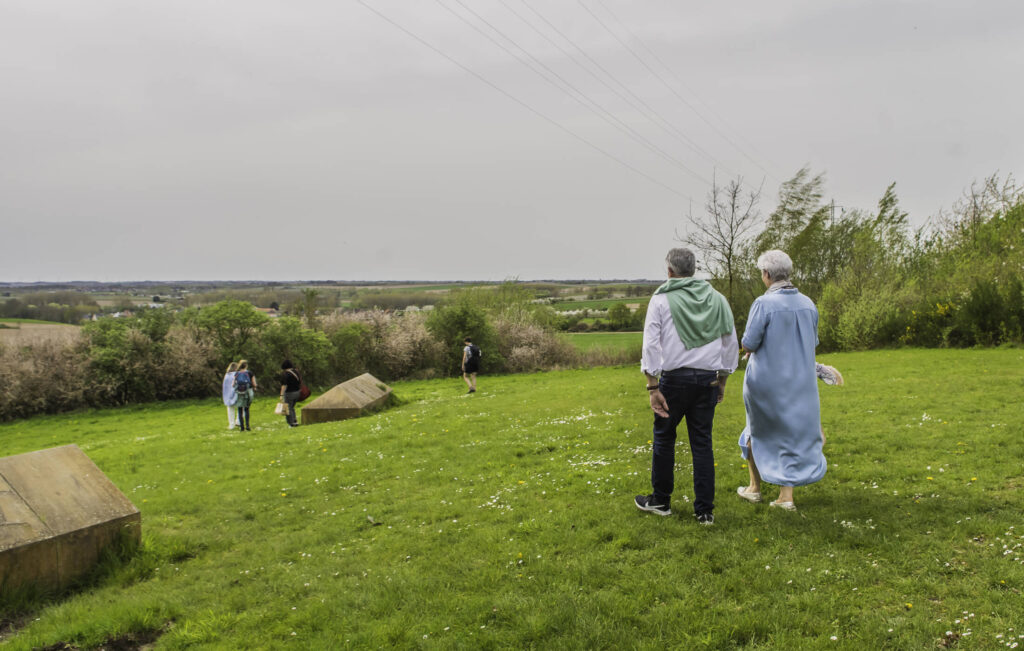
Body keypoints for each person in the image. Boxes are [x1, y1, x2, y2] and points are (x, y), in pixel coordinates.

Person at [635, 248, 738, 525]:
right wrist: (723, 379)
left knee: (664, 437)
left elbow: (651, 344)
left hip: (674, 380)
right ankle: (704, 511)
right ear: (693, 270)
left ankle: (661, 500)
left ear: (669, 271)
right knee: (702, 443)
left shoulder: (661, 299)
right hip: (707, 379)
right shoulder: (718, 299)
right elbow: (729, 342)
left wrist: (652, 386)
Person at [736, 250, 827, 511]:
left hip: (768, 381)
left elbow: (749, 343)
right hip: (800, 381)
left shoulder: (764, 304)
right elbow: (813, 342)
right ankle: (786, 495)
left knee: (756, 429)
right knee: (791, 432)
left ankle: (755, 488)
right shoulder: (808, 304)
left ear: (766, 275)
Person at [233, 359, 257, 432]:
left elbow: (233, 384)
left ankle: (242, 428)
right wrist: (255, 387)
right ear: (246, 365)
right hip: (248, 392)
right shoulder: (249, 373)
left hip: (239, 392)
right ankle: (248, 426)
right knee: (246, 409)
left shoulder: (237, 373)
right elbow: (254, 383)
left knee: (240, 410)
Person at [278, 360, 302, 428]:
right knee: (292, 407)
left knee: (288, 408)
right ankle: (295, 421)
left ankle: (292, 423)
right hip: (297, 392)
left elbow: (284, 385)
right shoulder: (296, 372)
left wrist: (281, 395)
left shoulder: (286, 374)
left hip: (289, 393)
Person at [222, 361, 239, 429]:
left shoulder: (226, 375)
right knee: (241, 408)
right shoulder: (237, 374)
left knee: (230, 410)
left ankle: (231, 425)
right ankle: (238, 421)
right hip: (236, 393)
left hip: (227, 395)